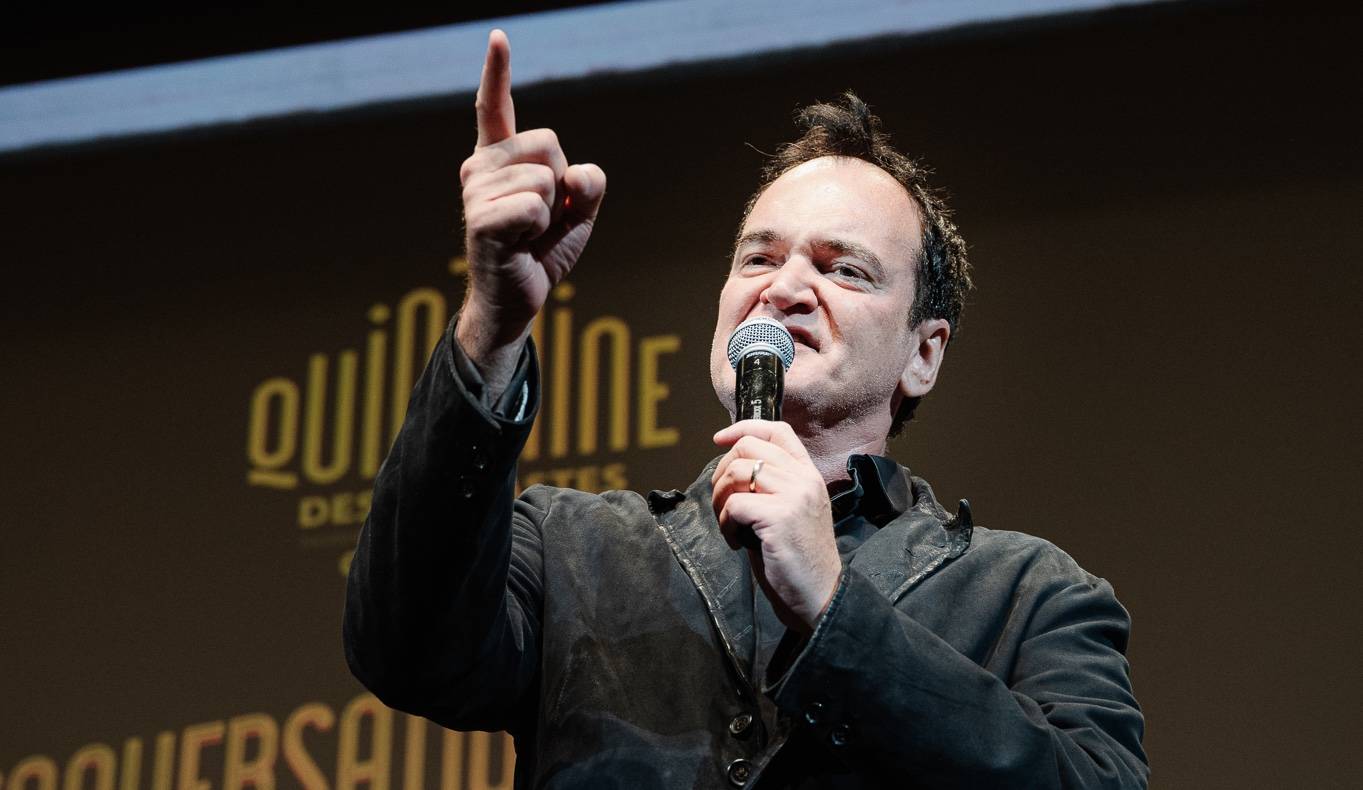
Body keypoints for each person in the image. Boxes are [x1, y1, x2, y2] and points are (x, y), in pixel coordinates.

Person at [343, 30, 1148, 788]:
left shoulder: (1029, 595)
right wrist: (491, 319)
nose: (784, 287)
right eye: (758, 257)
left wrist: (835, 611)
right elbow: (404, 651)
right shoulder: (570, 548)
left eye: (843, 270)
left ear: (923, 354)